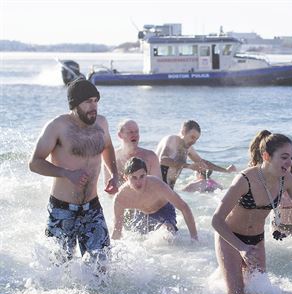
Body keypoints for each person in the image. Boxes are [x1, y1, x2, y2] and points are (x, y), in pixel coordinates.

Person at [211, 133, 292, 294]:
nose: (289, 162)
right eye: (284, 157)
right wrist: (241, 247)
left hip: (256, 240)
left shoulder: (287, 179)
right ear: (266, 156)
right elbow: (216, 220)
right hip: (230, 238)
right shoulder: (245, 179)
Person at [28, 78, 118, 267]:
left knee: (102, 269)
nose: (93, 106)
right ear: (74, 105)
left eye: (95, 100)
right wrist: (66, 173)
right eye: (88, 102)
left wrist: (114, 174)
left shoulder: (102, 123)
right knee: (58, 270)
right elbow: (34, 163)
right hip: (62, 210)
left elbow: (108, 147)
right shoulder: (57, 127)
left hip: (92, 209)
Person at [112, 157, 199, 240]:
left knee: (167, 236)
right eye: (134, 178)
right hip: (140, 215)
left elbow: (184, 207)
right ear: (126, 178)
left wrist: (194, 238)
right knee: (136, 239)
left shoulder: (157, 185)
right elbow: (117, 230)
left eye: (142, 176)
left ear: (146, 174)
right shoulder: (120, 197)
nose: (139, 182)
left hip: (164, 211)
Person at [155, 120, 236, 189]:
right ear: (183, 132)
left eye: (196, 139)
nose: (194, 142)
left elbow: (204, 163)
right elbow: (162, 160)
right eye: (192, 137)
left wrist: (226, 171)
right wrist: (188, 166)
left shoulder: (188, 148)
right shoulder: (172, 139)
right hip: (155, 185)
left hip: (168, 188)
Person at [105, 119, 161, 187]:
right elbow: (108, 190)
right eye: (130, 132)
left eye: (136, 132)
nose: (134, 135)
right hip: (121, 196)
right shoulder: (111, 158)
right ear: (120, 135)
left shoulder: (151, 157)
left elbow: (157, 187)